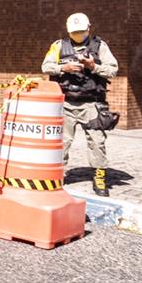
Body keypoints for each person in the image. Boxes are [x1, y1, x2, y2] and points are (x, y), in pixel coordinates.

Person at [41, 12, 119, 197]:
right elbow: (46, 66)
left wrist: (93, 67)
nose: (78, 35)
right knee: (62, 142)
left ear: (89, 28)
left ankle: (99, 176)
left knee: (97, 141)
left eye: (81, 31)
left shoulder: (100, 47)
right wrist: (63, 68)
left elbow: (113, 70)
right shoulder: (59, 46)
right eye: (75, 32)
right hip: (66, 102)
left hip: (91, 103)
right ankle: (56, 175)